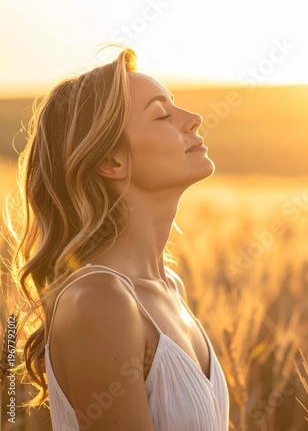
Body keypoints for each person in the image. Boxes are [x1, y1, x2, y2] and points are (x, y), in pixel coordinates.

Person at [8, 47, 230, 430]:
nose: (194, 119)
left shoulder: (169, 287)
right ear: (112, 162)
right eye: (162, 114)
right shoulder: (99, 301)